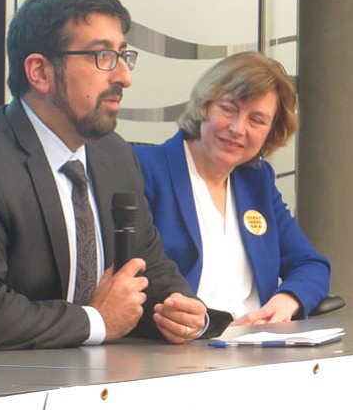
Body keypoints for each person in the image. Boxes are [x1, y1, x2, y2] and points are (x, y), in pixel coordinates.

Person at [0, 0, 232, 353]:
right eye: (103, 55)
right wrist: (97, 319)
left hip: (81, 376)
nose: (123, 76)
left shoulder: (113, 155)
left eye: (123, 56)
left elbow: (147, 268)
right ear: (40, 72)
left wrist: (182, 310)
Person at [133, 51, 331, 325]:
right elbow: (133, 282)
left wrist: (288, 300)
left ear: (271, 132)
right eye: (228, 109)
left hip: (257, 347)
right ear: (204, 105)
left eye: (257, 120)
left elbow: (311, 265)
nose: (238, 128)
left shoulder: (257, 180)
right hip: (181, 351)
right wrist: (211, 328)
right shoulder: (144, 170)